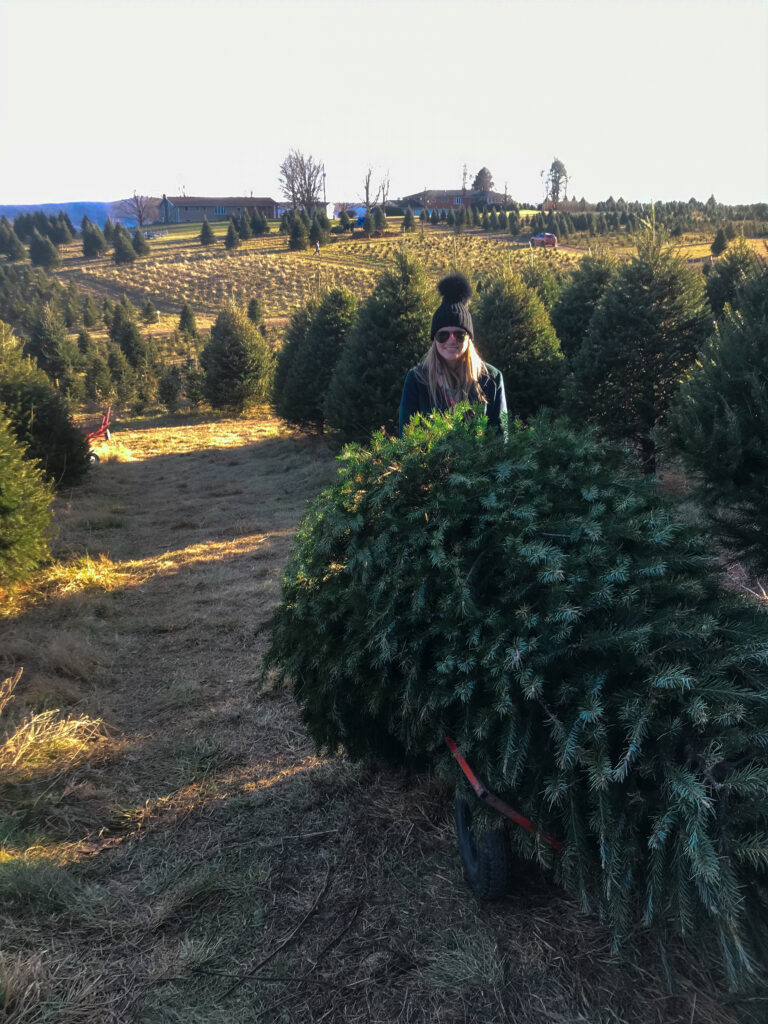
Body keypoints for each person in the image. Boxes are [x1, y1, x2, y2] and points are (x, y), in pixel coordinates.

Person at [398, 273, 506, 437]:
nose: (451, 340)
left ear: (469, 338)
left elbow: (501, 438)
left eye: (459, 334)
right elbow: (405, 438)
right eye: (443, 335)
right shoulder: (417, 379)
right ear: (434, 340)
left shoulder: (491, 378)